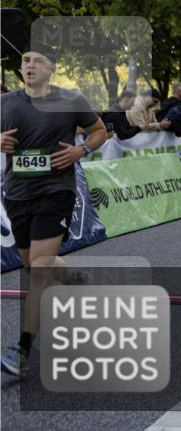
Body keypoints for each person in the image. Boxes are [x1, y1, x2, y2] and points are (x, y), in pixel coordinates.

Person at [0, 45, 108, 377]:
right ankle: (72, 277)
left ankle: (22, 349)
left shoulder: (72, 100)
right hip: (18, 194)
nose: (29, 65)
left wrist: (81, 150)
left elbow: (100, 131)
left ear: (51, 68)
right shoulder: (5, 102)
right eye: (25, 61)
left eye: (37, 61)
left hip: (56, 191)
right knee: (33, 262)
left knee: (40, 270)